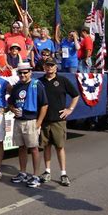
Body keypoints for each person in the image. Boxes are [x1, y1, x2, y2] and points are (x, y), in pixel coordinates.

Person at [38, 58, 79, 186]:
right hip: (45, 120)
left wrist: (70, 109)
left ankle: (63, 173)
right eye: (47, 65)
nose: (49, 68)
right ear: (44, 67)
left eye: (52, 65)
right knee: (46, 146)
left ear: (56, 67)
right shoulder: (39, 82)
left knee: (60, 147)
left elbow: (75, 95)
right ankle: (47, 171)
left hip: (58, 120)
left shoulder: (62, 80)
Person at [9, 62, 48, 188]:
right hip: (18, 121)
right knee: (21, 147)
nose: (23, 75)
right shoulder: (16, 87)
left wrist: (39, 122)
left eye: (25, 72)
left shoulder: (37, 85)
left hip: (31, 121)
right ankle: (23, 172)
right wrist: (12, 109)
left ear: (30, 72)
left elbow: (44, 105)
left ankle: (35, 175)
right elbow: (10, 103)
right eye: (20, 73)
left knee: (34, 148)